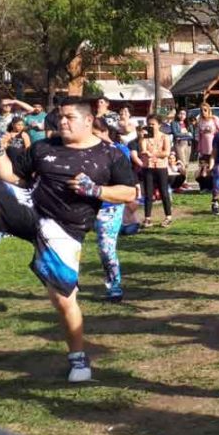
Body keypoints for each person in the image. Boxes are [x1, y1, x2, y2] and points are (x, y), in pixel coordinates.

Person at [0, 97, 137, 383]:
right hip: (31, 209)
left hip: (64, 229)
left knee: (63, 301)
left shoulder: (110, 155)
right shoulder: (43, 147)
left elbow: (129, 192)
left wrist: (96, 189)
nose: (63, 121)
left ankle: (78, 357)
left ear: (88, 120)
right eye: (60, 117)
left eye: (70, 117)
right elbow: (12, 178)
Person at [91, 119, 128, 301]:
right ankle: (66, 286)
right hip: (82, 207)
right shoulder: (80, 152)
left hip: (110, 207)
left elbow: (128, 183)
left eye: (95, 134)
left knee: (106, 249)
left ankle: (114, 285)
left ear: (104, 131)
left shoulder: (118, 151)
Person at [133, 114, 173, 228]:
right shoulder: (145, 137)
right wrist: (141, 138)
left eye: (153, 124)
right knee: (148, 193)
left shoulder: (165, 137)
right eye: (149, 124)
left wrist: (153, 154)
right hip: (148, 167)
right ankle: (147, 218)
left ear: (159, 125)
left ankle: (168, 216)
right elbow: (143, 150)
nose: (151, 126)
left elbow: (166, 152)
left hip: (161, 167)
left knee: (164, 192)